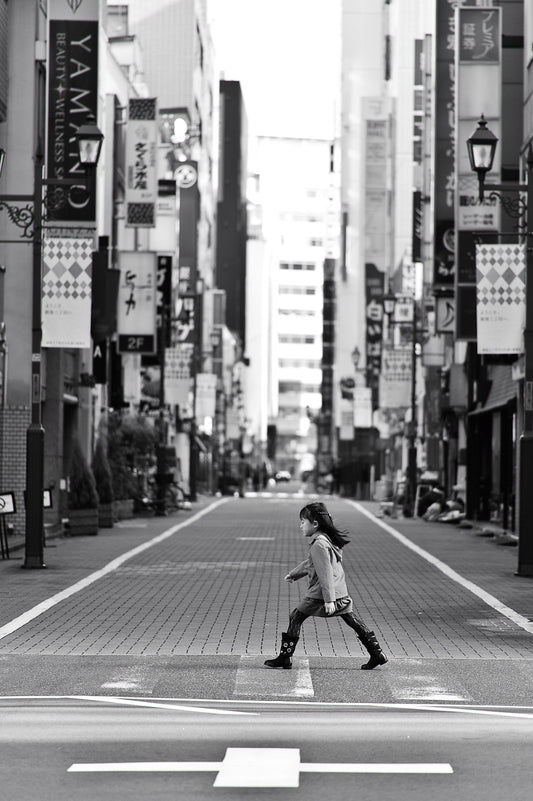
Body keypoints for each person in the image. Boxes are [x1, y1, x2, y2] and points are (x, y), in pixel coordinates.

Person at [264, 501, 388, 671]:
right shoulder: (326, 540)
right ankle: (377, 653)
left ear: (315, 524)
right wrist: (294, 574)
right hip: (339, 590)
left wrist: (329, 600)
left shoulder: (319, 544)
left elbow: (325, 573)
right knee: (351, 619)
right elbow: (311, 564)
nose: (300, 525)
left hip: (321, 594)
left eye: (302, 521)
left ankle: (285, 657)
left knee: (296, 617)